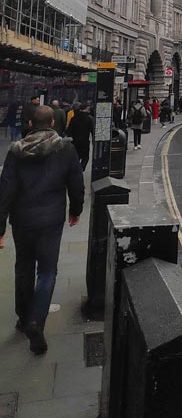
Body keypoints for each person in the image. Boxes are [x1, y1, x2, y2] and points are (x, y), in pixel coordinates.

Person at [0, 104, 84, 354]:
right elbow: (77, 183)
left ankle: (23, 318)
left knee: (23, 267)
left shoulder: (16, 151)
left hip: (22, 221)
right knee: (47, 271)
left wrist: (0, 226)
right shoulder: (65, 148)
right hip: (51, 221)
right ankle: (37, 321)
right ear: (53, 123)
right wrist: (76, 211)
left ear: (29, 124)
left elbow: (5, 190)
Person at [65, 104, 94, 171]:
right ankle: (81, 168)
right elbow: (92, 130)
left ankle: (76, 168)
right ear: (86, 109)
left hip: (75, 141)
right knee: (85, 157)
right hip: (85, 141)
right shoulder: (89, 118)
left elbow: (69, 130)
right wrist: (93, 140)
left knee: (76, 156)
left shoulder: (74, 118)